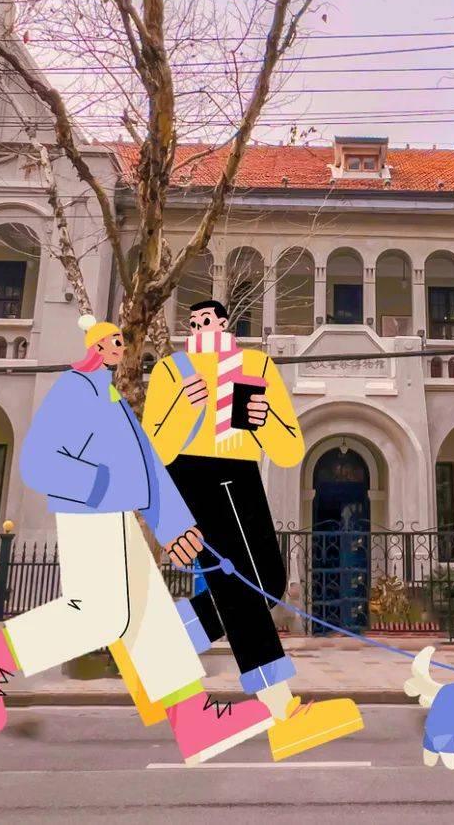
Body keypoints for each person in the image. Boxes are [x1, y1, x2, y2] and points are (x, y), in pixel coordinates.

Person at [0, 315, 273, 766]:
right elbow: (39, 462)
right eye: (112, 341)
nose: (120, 347)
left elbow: (147, 466)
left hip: (116, 515)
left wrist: (174, 525)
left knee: (151, 618)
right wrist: (104, 487)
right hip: (89, 513)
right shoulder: (74, 390)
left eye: (121, 341)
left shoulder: (111, 398)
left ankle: (194, 718)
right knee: (102, 615)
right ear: (94, 347)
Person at [138, 298, 363, 760]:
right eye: (193, 322)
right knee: (237, 589)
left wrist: (266, 420)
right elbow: (152, 447)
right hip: (192, 473)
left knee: (269, 582)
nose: (199, 326)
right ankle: (283, 712)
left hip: (241, 473)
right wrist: (182, 409)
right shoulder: (172, 370)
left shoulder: (257, 366)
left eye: (207, 320)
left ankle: (164, 642)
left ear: (225, 323)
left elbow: (288, 449)